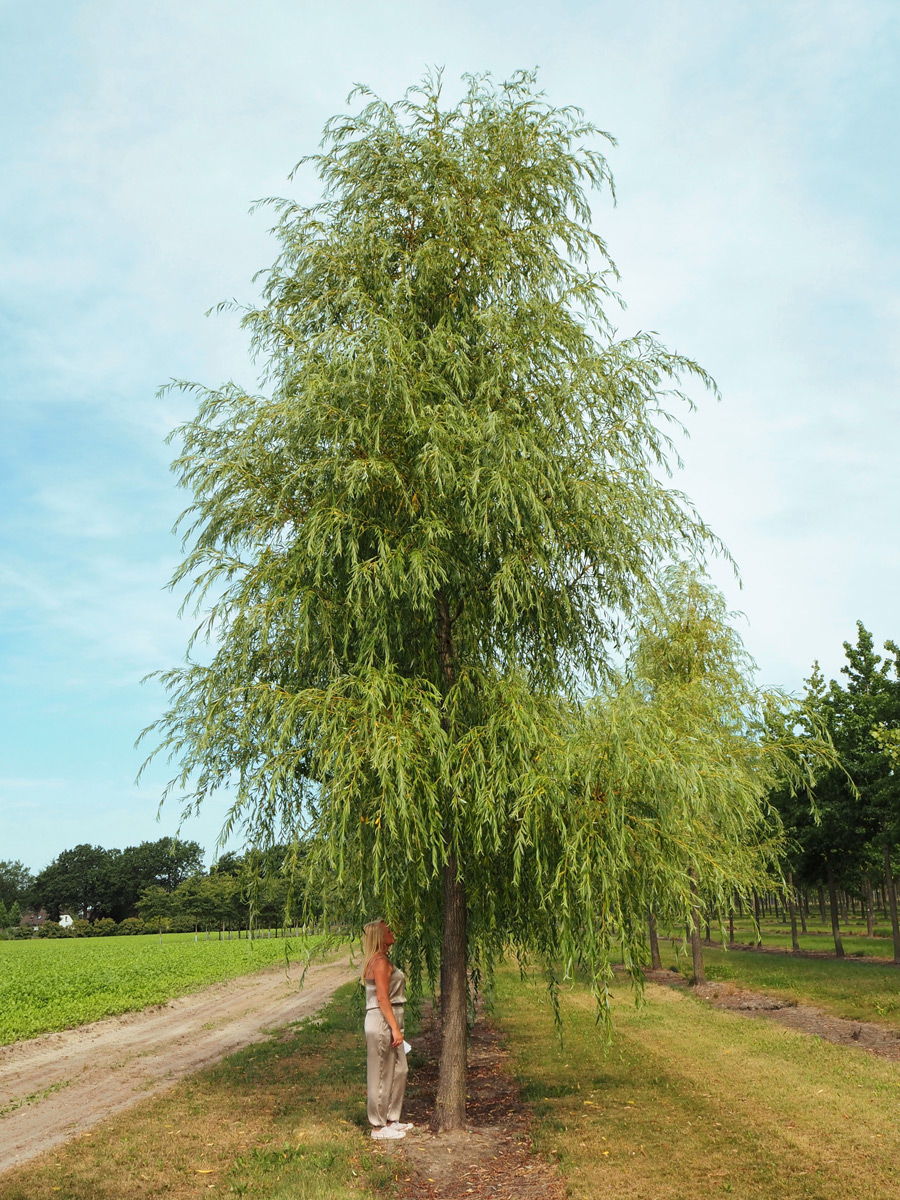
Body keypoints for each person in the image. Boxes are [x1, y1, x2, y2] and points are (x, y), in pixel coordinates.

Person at [361, 919, 411, 1140]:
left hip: (390, 1017)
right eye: (388, 931)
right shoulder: (379, 962)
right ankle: (378, 1127)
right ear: (380, 937)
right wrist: (394, 1029)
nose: (392, 932)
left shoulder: (382, 960)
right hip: (382, 1019)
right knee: (381, 1071)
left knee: (400, 1069)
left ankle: (392, 1118)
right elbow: (382, 998)